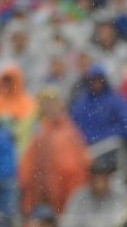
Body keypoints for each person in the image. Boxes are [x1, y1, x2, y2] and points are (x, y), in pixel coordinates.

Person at [19, 87, 91, 215]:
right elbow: (27, 165)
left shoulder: (70, 133)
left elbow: (77, 166)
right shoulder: (38, 131)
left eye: (52, 103)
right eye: (45, 104)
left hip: (64, 194)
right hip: (40, 194)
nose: (49, 108)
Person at [60, 153, 127, 227]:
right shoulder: (79, 197)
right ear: (90, 177)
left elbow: (122, 224)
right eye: (97, 175)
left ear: (110, 176)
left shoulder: (120, 195)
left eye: (104, 175)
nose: (100, 179)